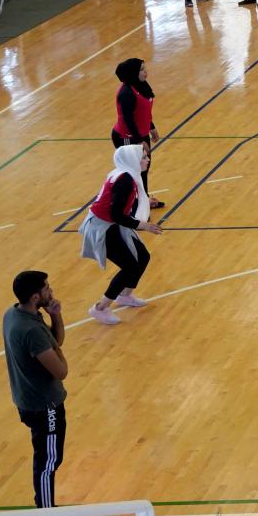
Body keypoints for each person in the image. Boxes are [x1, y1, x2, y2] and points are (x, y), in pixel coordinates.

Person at [0, 270, 75, 516]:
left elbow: (56, 341)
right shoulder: (30, 329)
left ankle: (46, 512)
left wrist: (55, 315)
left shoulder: (14, 314)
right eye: (45, 288)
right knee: (47, 462)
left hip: (29, 399)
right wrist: (60, 356)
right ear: (35, 296)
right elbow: (61, 370)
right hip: (45, 406)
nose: (50, 290)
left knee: (46, 459)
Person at [77, 145, 160, 324]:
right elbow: (116, 214)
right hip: (103, 226)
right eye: (144, 157)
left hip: (114, 223)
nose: (147, 160)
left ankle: (125, 295)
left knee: (142, 256)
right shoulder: (125, 180)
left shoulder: (126, 174)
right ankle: (100, 307)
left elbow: (120, 205)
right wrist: (142, 225)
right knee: (130, 266)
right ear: (132, 160)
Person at [111, 57, 160, 208]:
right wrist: (139, 141)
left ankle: (143, 201)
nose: (146, 72)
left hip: (140, 134)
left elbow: (143, 111)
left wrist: (151, 127)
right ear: (133, 73)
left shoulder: (142, 86)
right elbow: (128, 120)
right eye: (142, 69)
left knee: (144, 169)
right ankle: (135, 205)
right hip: (127, 137)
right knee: (134, 173)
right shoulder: (126, 93)